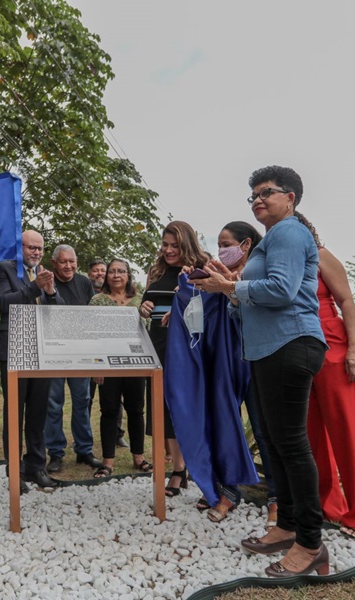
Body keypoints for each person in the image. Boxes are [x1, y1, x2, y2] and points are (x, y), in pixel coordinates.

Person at [199, 165, 328, 577]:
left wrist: (230, 288)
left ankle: (311, 544)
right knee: (273, 442)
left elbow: (282, 290)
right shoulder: (270, 239)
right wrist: (230, 288)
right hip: (268, 348)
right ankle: (286, 525)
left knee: (290, 444)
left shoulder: (289, 232)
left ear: (289, 198)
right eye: (252, 195)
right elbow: (256, 299)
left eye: (266, 192)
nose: (257, 199)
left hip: (291, 344)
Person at [295, 216, 355, 541]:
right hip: (296, 347)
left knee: (350, 431)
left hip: (333, 345)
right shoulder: (280, 261)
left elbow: (347, 301)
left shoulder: (322, 255)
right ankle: (327, 505)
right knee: (309, 434)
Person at [180, 222, 271, 524]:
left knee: (263, 429)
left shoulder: (259, 273)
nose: (221, 250)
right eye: (218, 245)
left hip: (258, 358)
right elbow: (201, 308)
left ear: (245, 245)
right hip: (225, 360)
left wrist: (229, 286)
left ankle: (276, 499)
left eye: (226, 243)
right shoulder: (216, 276)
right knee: (224, 422)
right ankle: (226, 491)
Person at [139, 221, 210, 497]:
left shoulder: (201, 268)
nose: (168, 250)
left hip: (189, 348)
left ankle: (204, 469)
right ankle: (178, 469)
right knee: (163, 408)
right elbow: (148, 303)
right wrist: (144, 308)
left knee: (190, 408)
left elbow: (209, 308)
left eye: (175, 246)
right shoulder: (155, 271)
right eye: (165, 245)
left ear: (187, 244)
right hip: (157, 346)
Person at [0, 230, 63, 491]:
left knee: (38, 413)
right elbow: (5, 303)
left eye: (40, 248)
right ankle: (15, 472)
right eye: (31, 247)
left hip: (41, 352)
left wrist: (51, 289)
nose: (36, 252)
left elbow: (55, 310)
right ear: (19, 246)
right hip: (13, 351)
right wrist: (36, 286)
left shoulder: (44, 274)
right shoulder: (6, 268)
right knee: (15, 413)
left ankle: (36, 467)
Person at [88, 259, 152, 478]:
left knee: (136, 410)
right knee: (109, 411)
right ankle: (107, 461)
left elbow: (148, 331)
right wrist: (96, 366)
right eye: (112, 271)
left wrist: (145, 316)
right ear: (106, 276)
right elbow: (91, 335)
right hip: (107, 364)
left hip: (135, 364)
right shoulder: (97, 301)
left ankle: (139, 458)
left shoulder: (139, 300)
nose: (116, 275)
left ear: (128, 275)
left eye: (121, 271)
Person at [44, 245, 102, 474]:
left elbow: (93, 316)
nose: (68, 266)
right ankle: (56, 452)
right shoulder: (46, 282)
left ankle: (84, 450)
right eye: (63, 261)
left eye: (72, 261)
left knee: (82, 401)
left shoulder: (85, 283)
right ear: (54, 263)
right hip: (54, 351)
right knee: (53, 403)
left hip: (81, 351)